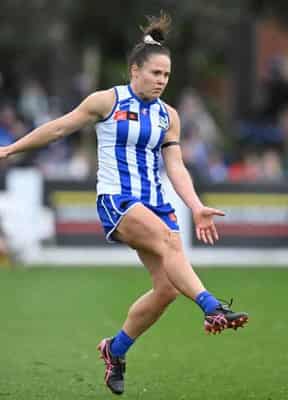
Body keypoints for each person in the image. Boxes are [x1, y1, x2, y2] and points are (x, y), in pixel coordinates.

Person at [0, 13, 248, 395]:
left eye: (167, 75)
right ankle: (213, 307)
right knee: (168, 242)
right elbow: (59, 127)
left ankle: (115, 350)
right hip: (118, 200)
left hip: (156, 203)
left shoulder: (169, 117)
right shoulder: (107, 101)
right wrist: (12, 148)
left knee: (166, 290)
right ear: (135, 71)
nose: (162, 81)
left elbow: (176, 165)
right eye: (155, 74)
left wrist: (196, 205)